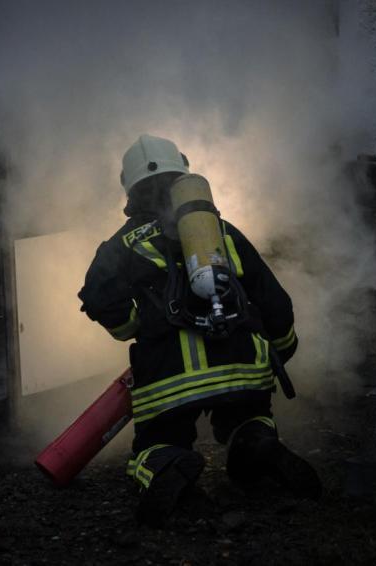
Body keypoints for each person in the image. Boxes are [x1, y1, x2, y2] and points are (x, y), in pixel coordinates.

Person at [78, 134, 321, 526]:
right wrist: (281, 347)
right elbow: (274, 300)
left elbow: (98, 296)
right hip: (241, 364)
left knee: (156, 442)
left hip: (169, 378)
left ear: (130, 188)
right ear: (182, 176)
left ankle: (166, 464)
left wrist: (134, 327)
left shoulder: (122, 244)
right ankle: (257, 446)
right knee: (250, 419)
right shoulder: (220, 232)